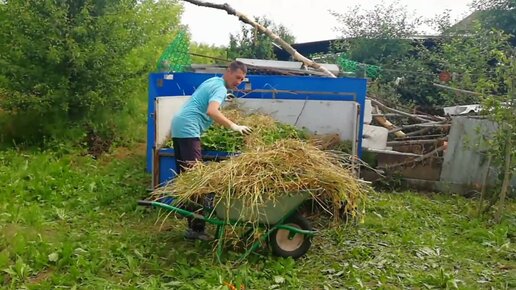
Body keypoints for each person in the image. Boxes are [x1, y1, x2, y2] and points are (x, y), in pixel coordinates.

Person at [171, 60, 252, 241]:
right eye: (237, 77)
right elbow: (212, 111)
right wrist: (234, 126)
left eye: (242, 79)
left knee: (188, 179)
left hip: (179, 126)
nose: (239, 82)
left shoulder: (212, 81)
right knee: (198, 181)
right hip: (188, 129)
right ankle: (196, 229)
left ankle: (191, 222)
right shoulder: (220, 89)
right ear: (229, 71)